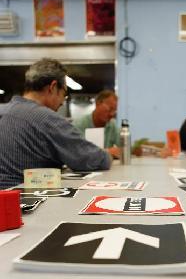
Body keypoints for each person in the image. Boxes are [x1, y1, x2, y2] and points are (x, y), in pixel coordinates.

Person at [0, 58, 112, 189]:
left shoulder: (3, 110)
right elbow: (96, 160)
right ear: (53, 87)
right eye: (64, 93)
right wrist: (108, 154)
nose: (62, 102)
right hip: (24, 201)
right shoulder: (47, 119)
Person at [73, 90, 119, 158]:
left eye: (114, 110)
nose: (112, 114)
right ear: (98, 104)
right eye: (110, 109)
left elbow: (123, 147)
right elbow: (75, 152)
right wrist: (106, 151)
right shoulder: (78, 125)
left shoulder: (112, 125)